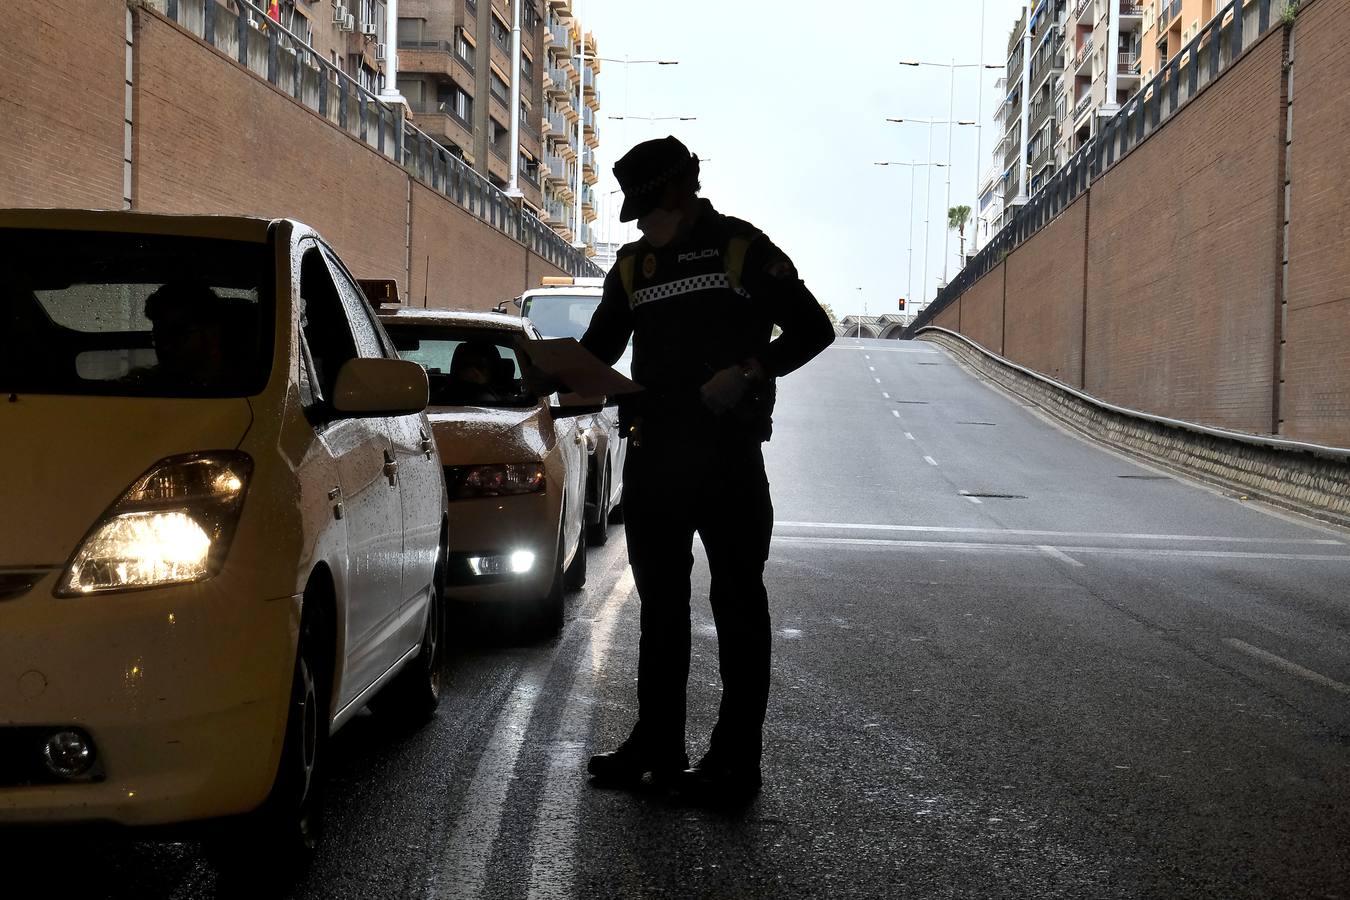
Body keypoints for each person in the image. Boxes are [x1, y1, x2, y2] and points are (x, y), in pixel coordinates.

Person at [580, 136, 834, 803]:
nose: (637, 222)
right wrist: (549, 372)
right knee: (660, 610)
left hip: (727, 459)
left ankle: (733, 760)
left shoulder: (740, 249)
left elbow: (813, 329)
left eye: (644, 205)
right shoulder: (634, 267)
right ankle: (658, 744)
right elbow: (599, 350)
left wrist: (751, 370)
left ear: (674, 191)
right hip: (655, 456)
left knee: (738, 607)